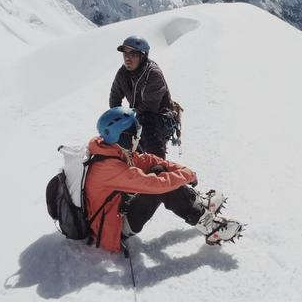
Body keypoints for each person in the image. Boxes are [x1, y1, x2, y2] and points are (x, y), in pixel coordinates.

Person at [85, 106, 242, 253]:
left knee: (159, 171)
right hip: (113, 230)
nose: (139, 134)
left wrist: (182, 170)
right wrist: (186, 176)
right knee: (160, 187)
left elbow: (149, 160)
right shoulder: (109, 168)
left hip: (116, 210)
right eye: (135, 131)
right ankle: (210, 227)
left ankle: (197, 203)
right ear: (123, 136)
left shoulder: (111, 149)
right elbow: (156, 185)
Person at [109, 35, 177, 158]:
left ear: (143, 56)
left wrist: (127, 118)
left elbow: (149, 107)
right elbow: (115, 96)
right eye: (125, 54)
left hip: (160, 118)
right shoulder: (123, 73)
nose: (128, 58)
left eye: (133, 54)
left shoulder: (153, 74)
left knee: (145, 121)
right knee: (116, 125)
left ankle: (158, 164)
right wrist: (116, 117)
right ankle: (128, 158)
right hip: (138, 114)